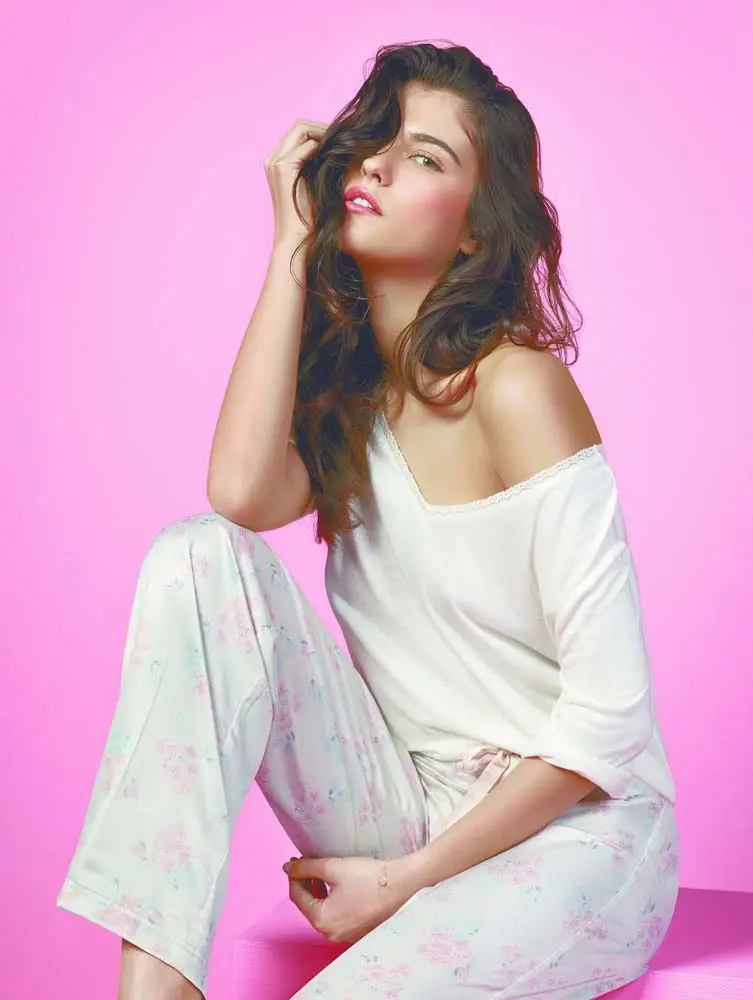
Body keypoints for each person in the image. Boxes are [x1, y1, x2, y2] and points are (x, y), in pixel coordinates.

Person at [57, 41, 681, 1000]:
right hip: (410, 798)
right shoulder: (351, 403)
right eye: (376, 141)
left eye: (425, 156)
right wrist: (289, 251)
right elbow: (237, 499)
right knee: (197, 555)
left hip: (578, 833)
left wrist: (403, 883)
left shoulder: (517, 389)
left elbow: (607, 726)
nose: (380, 167)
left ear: (474, 232)